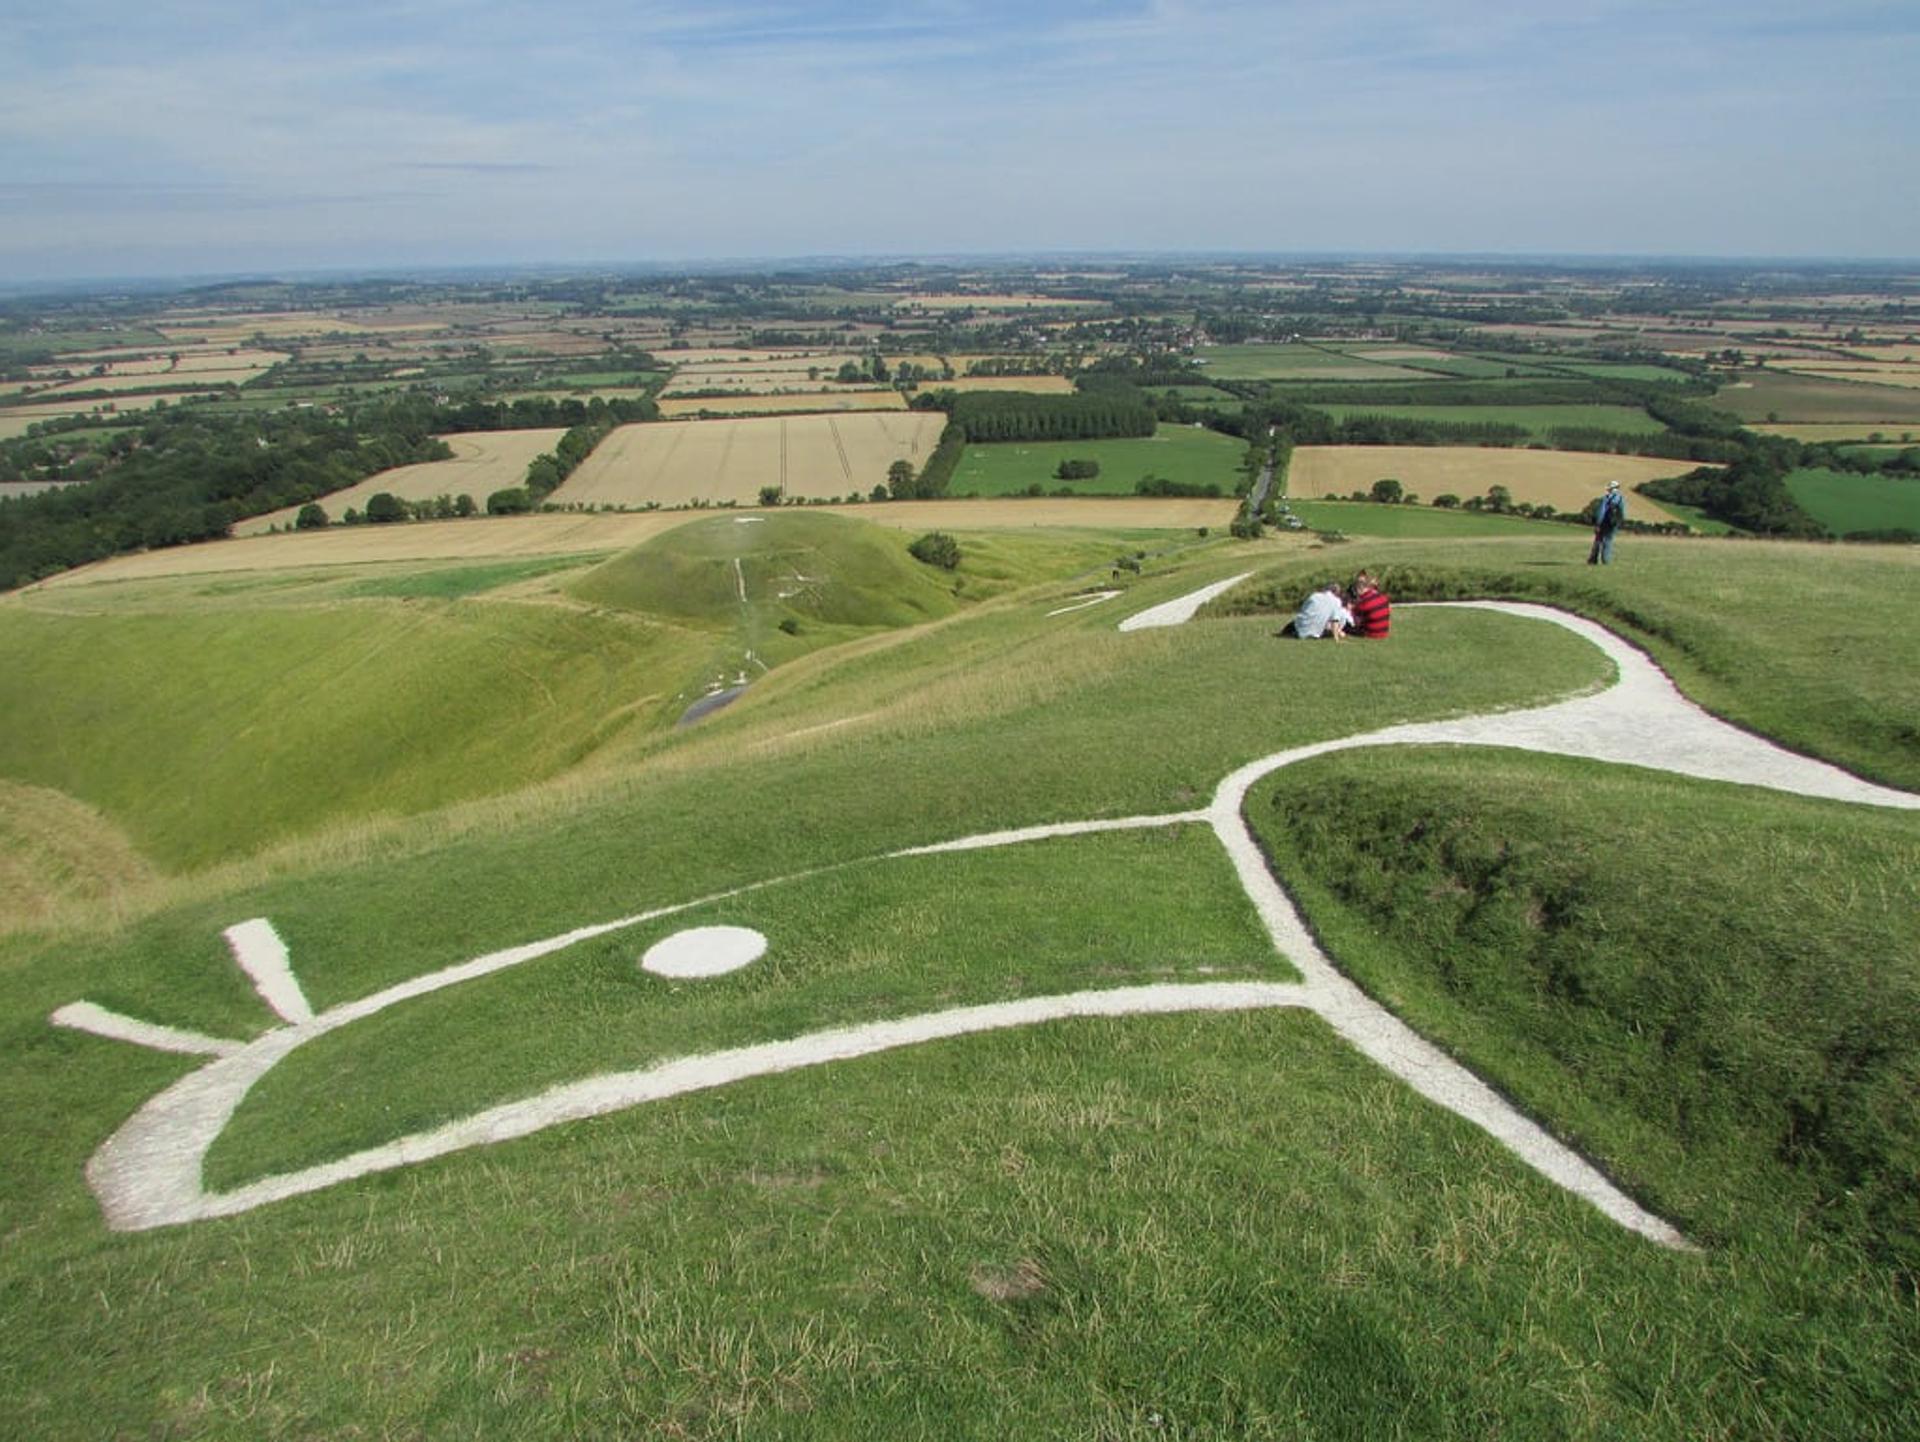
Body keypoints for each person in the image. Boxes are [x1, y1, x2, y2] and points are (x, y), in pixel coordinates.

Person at [1278, 581, 1351, 639]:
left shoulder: (1314, 596)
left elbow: (1303, 611)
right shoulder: (1336, 601)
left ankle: (1284, 633)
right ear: (1336, 593)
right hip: (1316, 633)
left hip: (1300, 627)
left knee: (1296, 622)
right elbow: (1335, 620)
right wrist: (1337, 635)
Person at [1589, 480, 1626, 565]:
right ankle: (1606, 560)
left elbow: (1601, 512)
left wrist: (1598, 523)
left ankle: (1593, 559)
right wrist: (1619, 522)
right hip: (1613, 524)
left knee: (1598, 540)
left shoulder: (1606, 499)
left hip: (1604, 523)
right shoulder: (1620, 499)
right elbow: (1623, 513)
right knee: (1608, 541)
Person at [1348, 571, 1391, 638]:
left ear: (1359, 588)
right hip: (1384, 632)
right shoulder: (1383, 597)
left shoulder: (1363, 601)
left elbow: (1353, 618)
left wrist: (1350, 609)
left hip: (1371, 633)